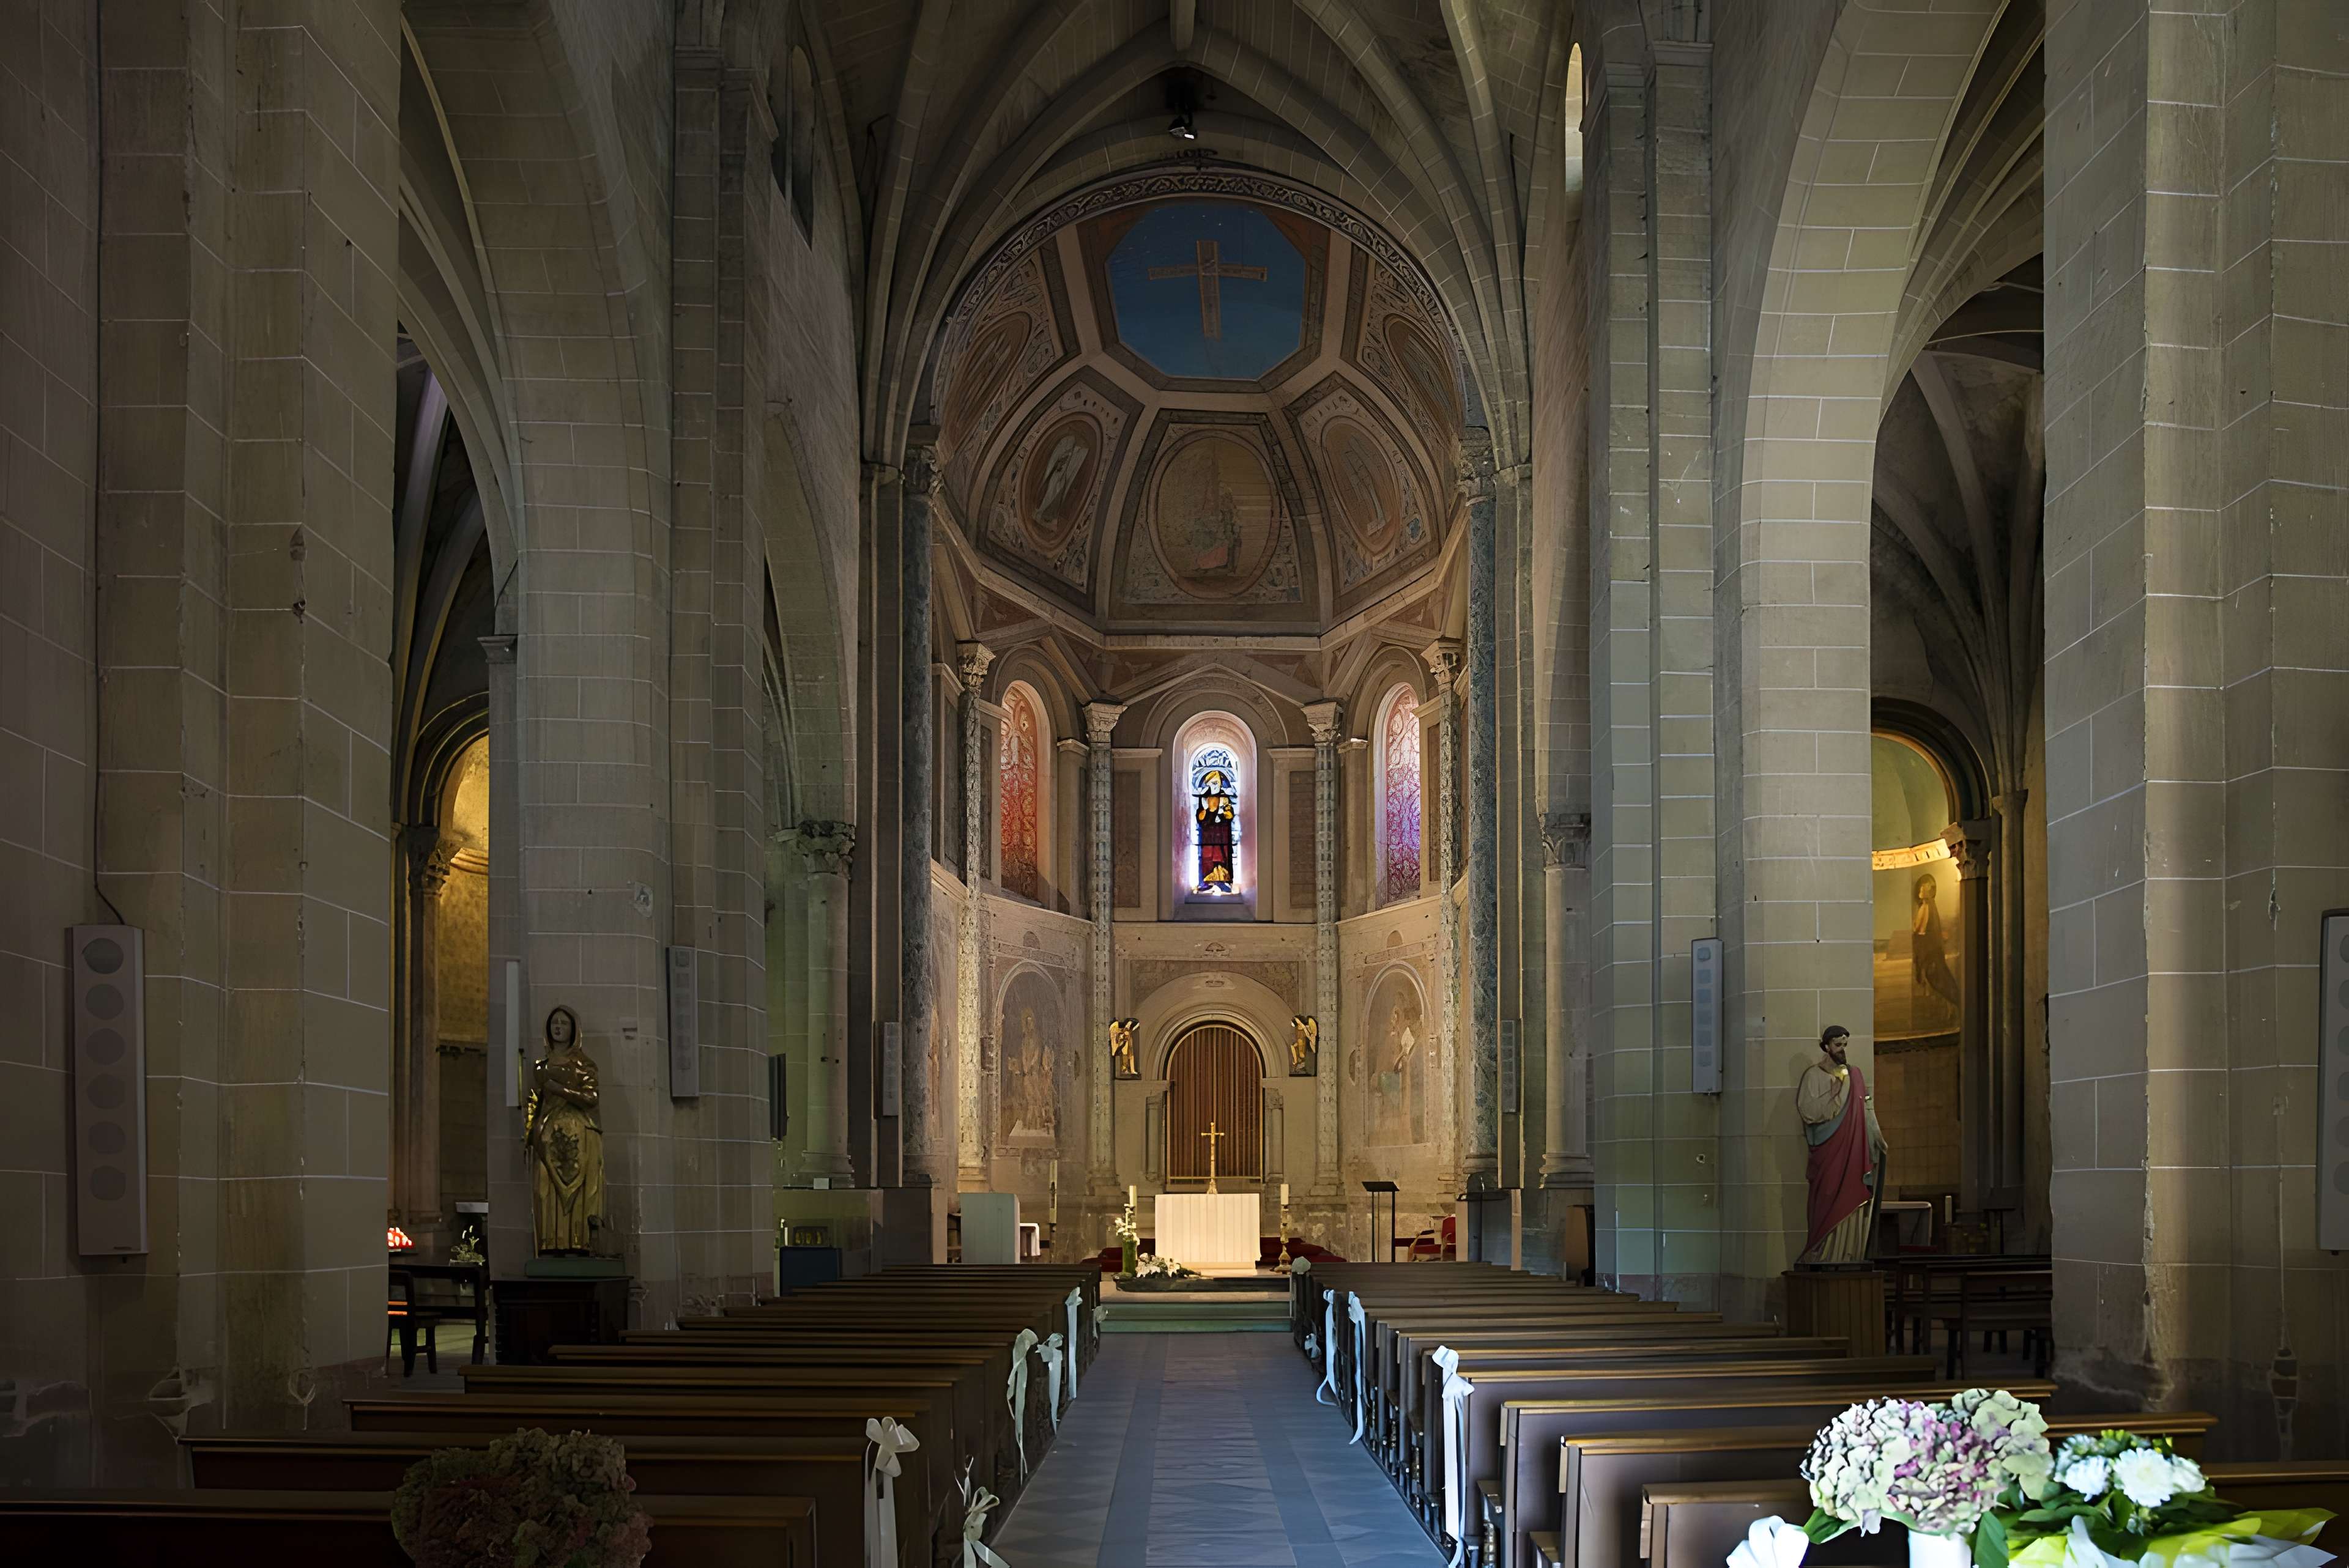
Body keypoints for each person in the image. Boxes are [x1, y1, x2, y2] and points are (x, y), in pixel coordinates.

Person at [1795, 1024, 1885, 1265]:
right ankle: (1822, 1253)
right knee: (1827, 1197)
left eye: (1845, 1045)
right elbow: (1809, 1113)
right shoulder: (1813, 1076)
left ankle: (1847, 1254)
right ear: (1826, 1046)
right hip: (1828, 1150)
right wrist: (1833, 1094)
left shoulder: (1854, 1075)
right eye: (1838, 1045)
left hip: (1853, 1149)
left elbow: (1866, 1107)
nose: (1842, 1050)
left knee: (1852, 1194)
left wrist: (1876, 1135)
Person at [525, 1005, 604, 1255]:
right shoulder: (540, 1066)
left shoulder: (584, 1064)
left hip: (578, 1132)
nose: (558, 1027)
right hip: (547, 1134)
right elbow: (533, 1103)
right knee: (544, 1189)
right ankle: (551, 1243)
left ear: (574, 1030)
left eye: (564, 1023)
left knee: (580, 1190)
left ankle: (578, 1242)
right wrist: (529, 1134)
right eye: (555, 1023)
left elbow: (591, 1098)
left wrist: (559, 1089)